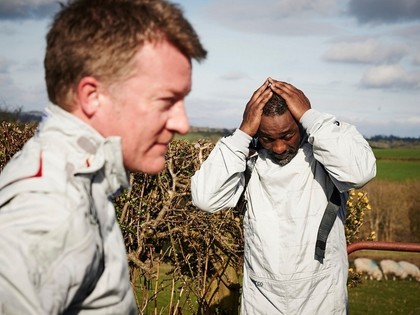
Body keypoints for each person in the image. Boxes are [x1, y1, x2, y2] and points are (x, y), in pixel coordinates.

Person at [0, 0, 206, 313]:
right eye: (167, 101)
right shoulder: (52, 209)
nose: (183, 124)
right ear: (92, 96)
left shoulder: (78, 182)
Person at [191, 78, 376, 314]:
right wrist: (243, 133)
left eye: (287, 135)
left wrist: (312, 118)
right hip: (262, 300)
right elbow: (205, 198)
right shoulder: (247, 159)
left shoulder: (328, 147)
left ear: (301, 123)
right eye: (268, 138)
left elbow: (359, 173)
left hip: (323, 298)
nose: (278, 148)